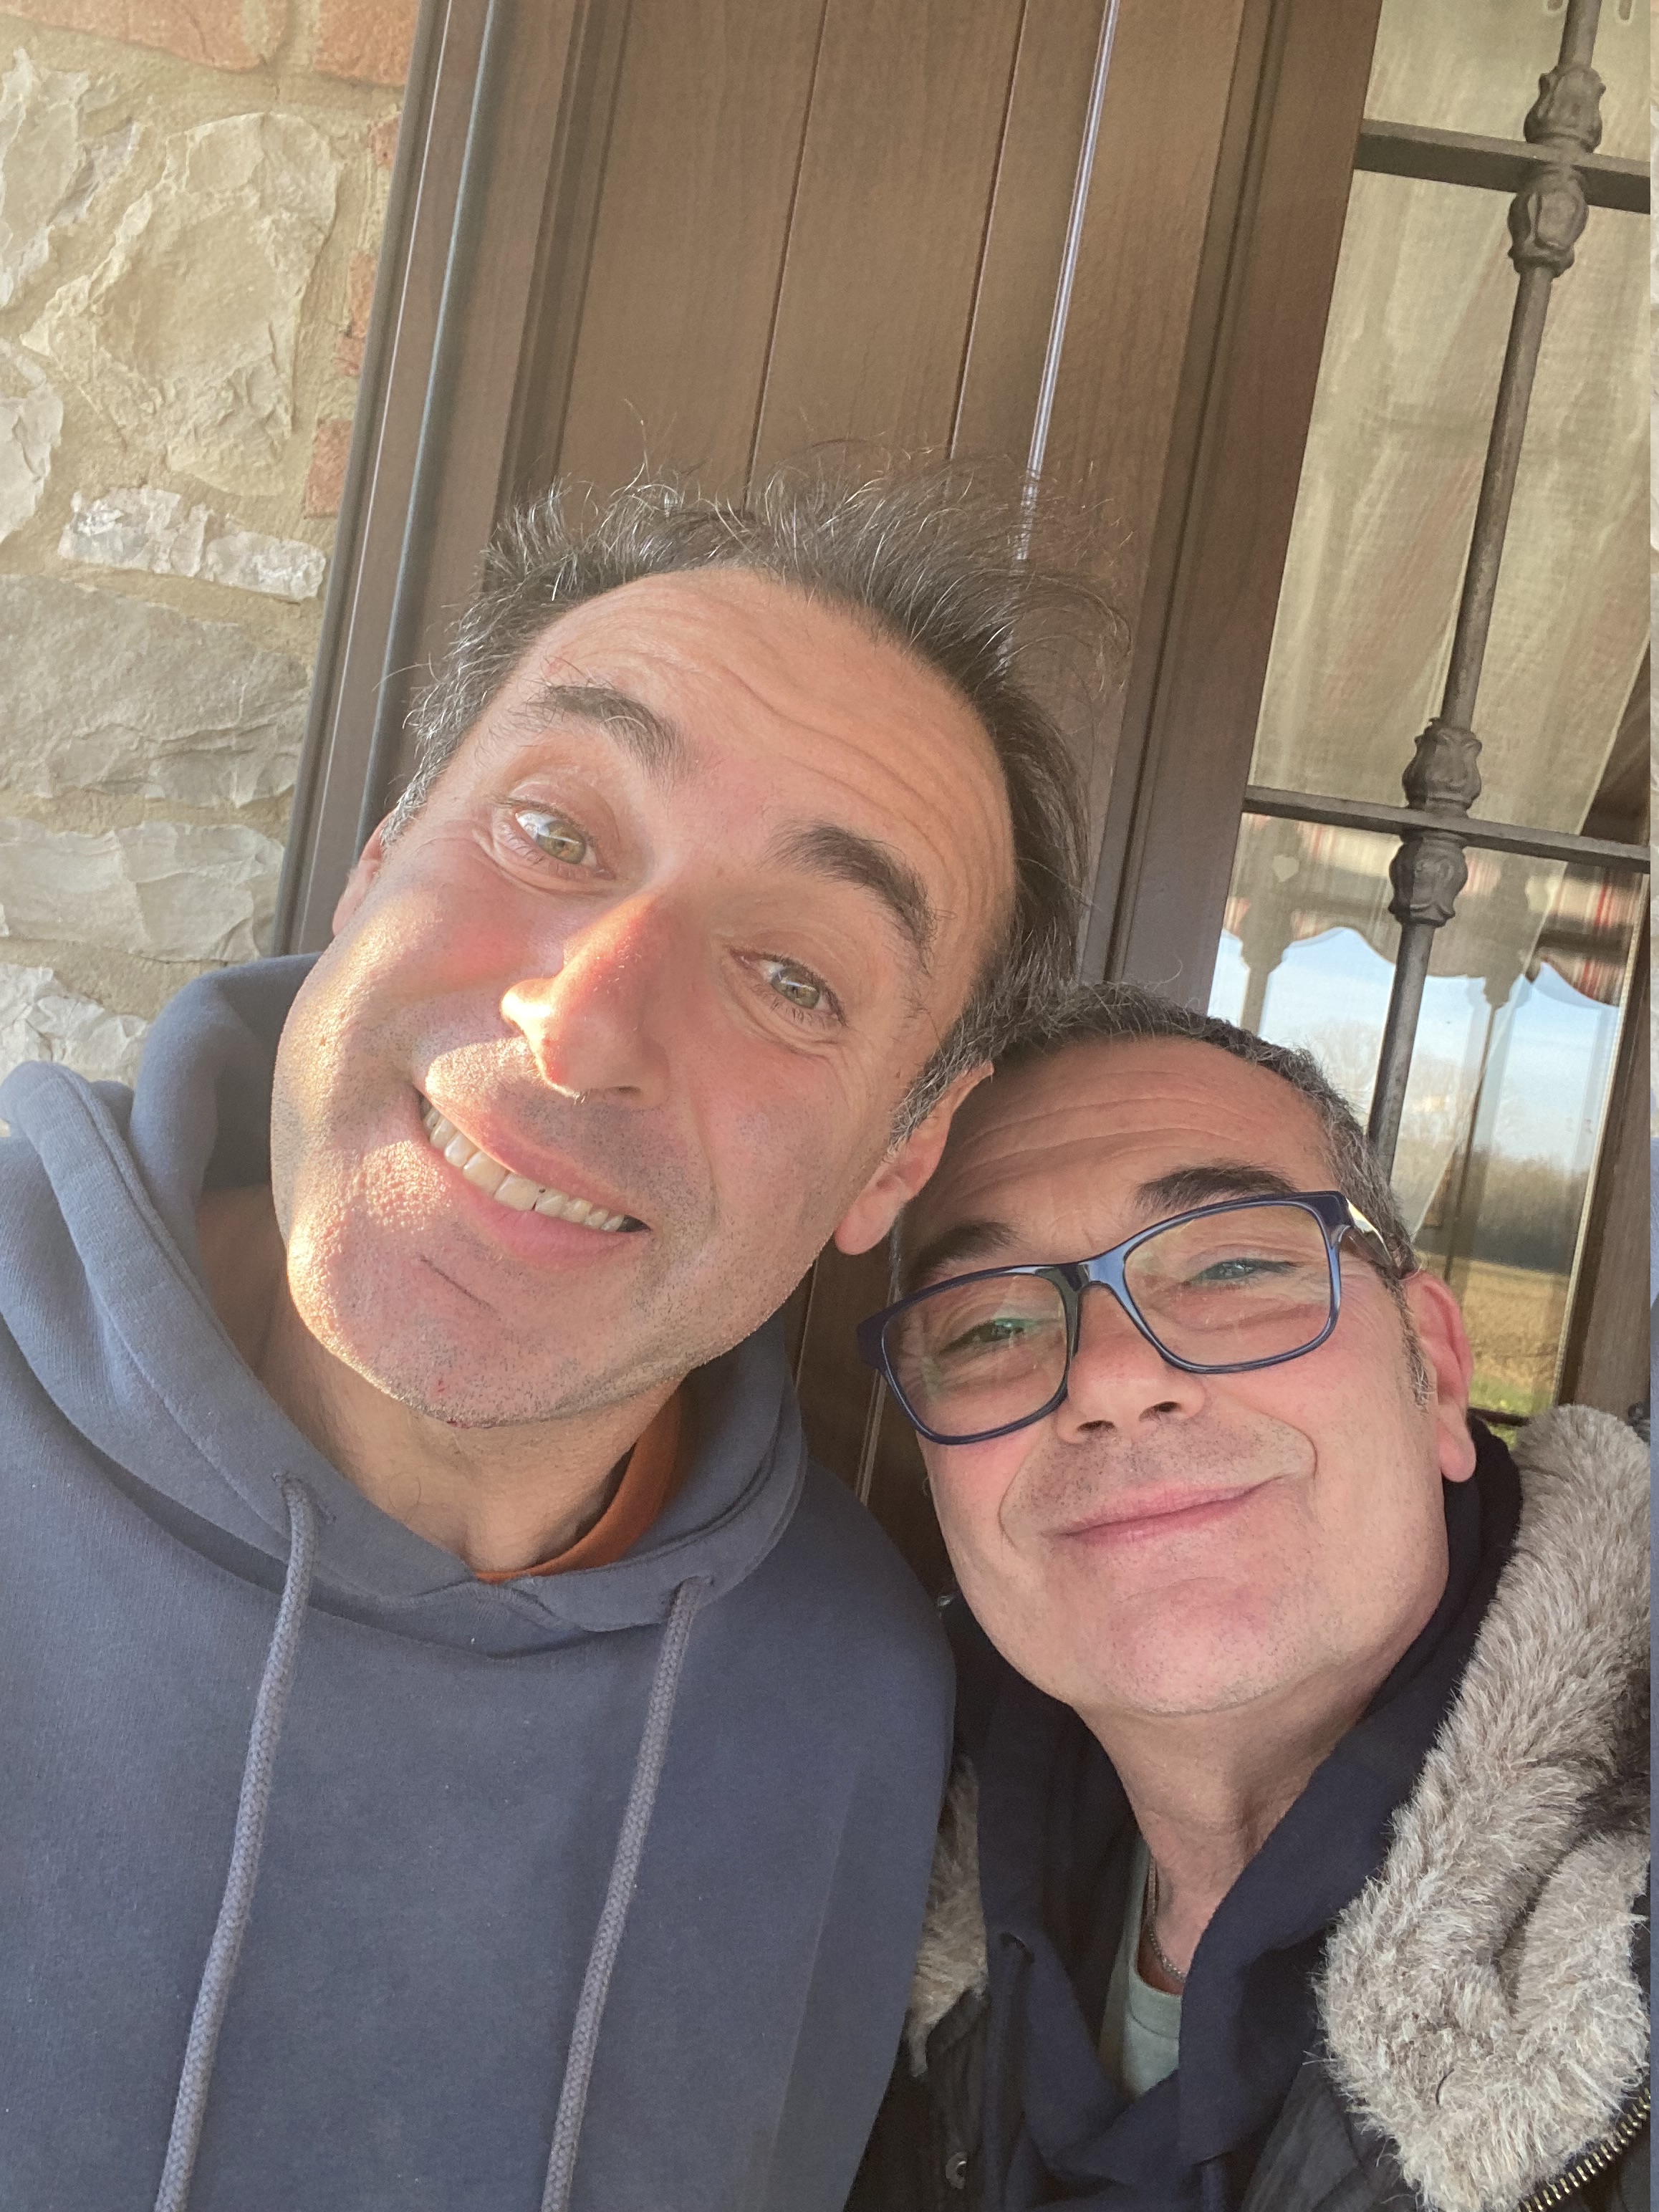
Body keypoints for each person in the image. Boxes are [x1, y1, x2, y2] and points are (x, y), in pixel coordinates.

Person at [0, 466, 1107, 2212]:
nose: (583, 1024)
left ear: (898, 1156)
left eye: (793, 977)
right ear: (375, 866)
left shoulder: (849, 1707)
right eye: (552, 831)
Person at [850, 985, 1649, 2211]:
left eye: (1231, 1264)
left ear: (1436, 1373)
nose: (1112, 1379)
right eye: (991, 1326)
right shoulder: (860, 1875)